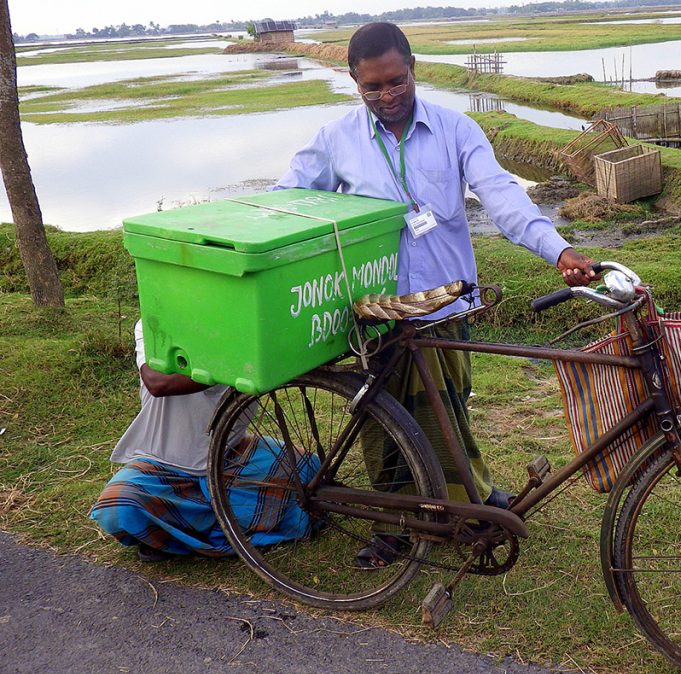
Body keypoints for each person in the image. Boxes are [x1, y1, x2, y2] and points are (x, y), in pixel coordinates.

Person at [273, 22, 596, 568]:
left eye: (396, 81)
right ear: (354, 81)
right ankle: (393, 527)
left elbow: (501, 195)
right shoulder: (335, 140)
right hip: (374, 312)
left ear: (413, 68)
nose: (386, 96)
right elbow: (289, 201)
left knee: (447, 410)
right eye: (372, 87)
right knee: (383, 420)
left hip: (445, 304)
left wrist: (557, 250)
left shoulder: (455, 129)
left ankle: (465, 495)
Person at [90, 320, 319, 562]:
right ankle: (226, 525)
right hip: (160, 466)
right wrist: (242, 367)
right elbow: (157, 382)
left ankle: (188, 527)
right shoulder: (154, 324)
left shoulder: (250, 327)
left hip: (228, 456)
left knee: (311, 472)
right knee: (117, 507)